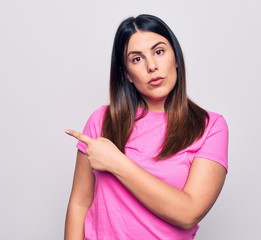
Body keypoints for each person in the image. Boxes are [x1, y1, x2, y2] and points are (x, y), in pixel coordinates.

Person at [64, 14, 228, 240]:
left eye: (159, 52)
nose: (152, 66)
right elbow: (80, 203)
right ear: (127, 75)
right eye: (137, 59)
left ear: (176, 58)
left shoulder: (209, 127)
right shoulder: (101, 121)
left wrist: (116, 162)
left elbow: (188, 213)